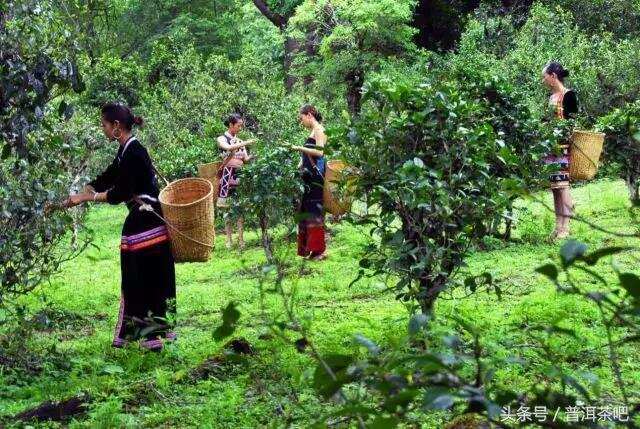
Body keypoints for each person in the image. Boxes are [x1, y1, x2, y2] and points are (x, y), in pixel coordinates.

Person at [63, 102, 176, 351]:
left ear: (116, 126)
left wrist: (86, 198)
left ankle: (149, 338)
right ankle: (152, 336)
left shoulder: (134, 152)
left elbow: (120, 192)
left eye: (104, 124)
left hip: (145, 219)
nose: (102, 129)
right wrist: (85, 190)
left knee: (139, 278)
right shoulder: (126, 150)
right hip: (149, 219)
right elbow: (109, 176)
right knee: (151, 277)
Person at [542, 62, 579, 240]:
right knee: (555, 187)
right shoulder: (551, 98)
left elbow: (572, 123)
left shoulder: (568, 95)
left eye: (545, 76)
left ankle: (566, 228)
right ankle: (558, 227)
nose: (544, 80)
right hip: (550, 148)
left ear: (553, 76)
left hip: (563, 148)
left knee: (563, 186)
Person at [289, 105, 327, 260]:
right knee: (306, 210)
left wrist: (299, 148)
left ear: (309, 115)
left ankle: (319, 250)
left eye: (302, 117)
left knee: (314, 212)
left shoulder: (319, 129)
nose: (302, 121)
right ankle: (310, 248)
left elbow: (319, 152)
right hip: (307, 177)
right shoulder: (312, 131)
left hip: (315, 178)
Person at [217, 113, 254, 250]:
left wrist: (253, 156)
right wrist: (246, 143)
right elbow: (227, 148)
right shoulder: (222, 138)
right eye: (238, 125)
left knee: (239, 208)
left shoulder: (240, 141)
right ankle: (228, 240)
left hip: (239, 175)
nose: (240, 128)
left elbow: (245, 160)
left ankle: (241, 240)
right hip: (227, 176)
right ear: (231, 125)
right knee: (227, 209)